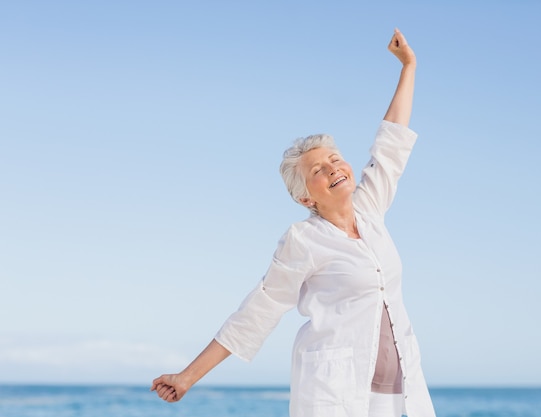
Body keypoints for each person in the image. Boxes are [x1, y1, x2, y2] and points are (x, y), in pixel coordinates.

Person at [151, 28, 437, 417]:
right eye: (319, 169)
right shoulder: (303, 240)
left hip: (397, 391)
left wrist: (409, 67)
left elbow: (392, 144)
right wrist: (187, 377)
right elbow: (259, 310)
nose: (334, 168)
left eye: (336, 159)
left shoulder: (370, 208)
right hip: (336, 394)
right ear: (306, 196)